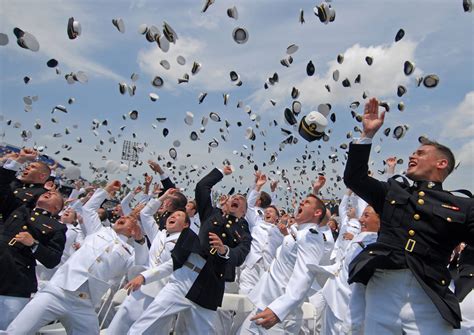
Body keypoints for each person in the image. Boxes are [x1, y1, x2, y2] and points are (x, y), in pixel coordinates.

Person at [344, 97, 474, 333]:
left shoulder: (462, 205)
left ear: (441, 163)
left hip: (429, 295)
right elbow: (355, 178)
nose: (412, 156)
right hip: (383, 289)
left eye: (421, 153)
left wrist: (466, 278)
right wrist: (367, 135)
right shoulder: (392, 191)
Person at [3, 180, 148, 334]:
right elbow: (89, 208)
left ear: (134, 230)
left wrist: (140, 241)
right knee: (17, 330)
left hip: (84, 303)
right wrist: (106, 190)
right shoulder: (99, 230)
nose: (125, 218)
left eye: (130, 221)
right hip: (57, 291)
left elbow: (140, 266)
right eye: (124, 217)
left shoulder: (130, 252)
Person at [127, 165, 252, 334]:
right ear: (227, 203)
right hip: (185, 275)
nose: (236, 198)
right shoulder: (211, 214)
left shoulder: (243, 232)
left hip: (211, 283)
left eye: (241, 199)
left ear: (244, 211)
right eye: (233, 197)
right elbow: (202, 187)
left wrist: (224, 250)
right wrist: (221, 172)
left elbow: (241, 254)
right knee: (146, 323)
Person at [241, 193, 326, 333]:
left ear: (317, 213)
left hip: (279, 316)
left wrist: (278, 310)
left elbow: (304, 276)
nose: (301, 203)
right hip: (264, 305)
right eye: (302, 200)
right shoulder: (298, 232)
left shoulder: (312, 237)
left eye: (307, 202)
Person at [0, 172, 66, 330]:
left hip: (14, 283)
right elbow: (5, 189)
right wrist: (39, 187)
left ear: (57, 208)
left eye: (54, 195)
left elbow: (53, 260)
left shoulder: (57, 227)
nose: (50, 193)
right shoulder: (18, 208)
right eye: (47, 192)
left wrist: (34, 244)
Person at [0, 148, 50, 215]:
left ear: (42, 176)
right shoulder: (14, 182)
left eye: (33, 167)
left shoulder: (42, 194)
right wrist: (20, 158)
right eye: (28, 166)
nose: (26, 168)